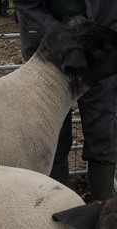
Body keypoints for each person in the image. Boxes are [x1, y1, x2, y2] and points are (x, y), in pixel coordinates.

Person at [13, 0, 117, 201]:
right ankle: (58, 205)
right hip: (50, 49)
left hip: (103, 45)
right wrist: (63, 36)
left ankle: (102, 207)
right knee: (53, 132)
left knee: (102, 129)